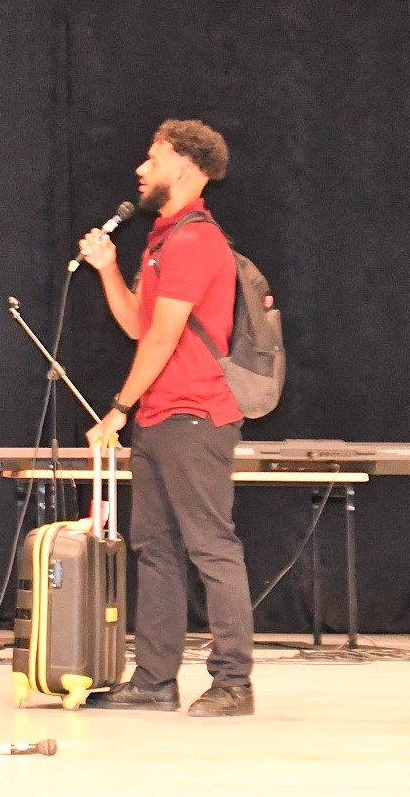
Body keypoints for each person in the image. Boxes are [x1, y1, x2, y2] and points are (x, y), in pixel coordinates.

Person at [79, 119, 254, 717]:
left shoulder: (195, 241)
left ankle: (234, 684)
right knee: (156, 550)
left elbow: (164, 339)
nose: (140, 169)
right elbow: (139, 325)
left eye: (151, 159)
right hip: (160, 417)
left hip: (195, 416)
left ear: (182, 166)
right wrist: (108, 267)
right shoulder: (162, 240)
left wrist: (118, 409)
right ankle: (155, 681)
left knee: (212, 549)